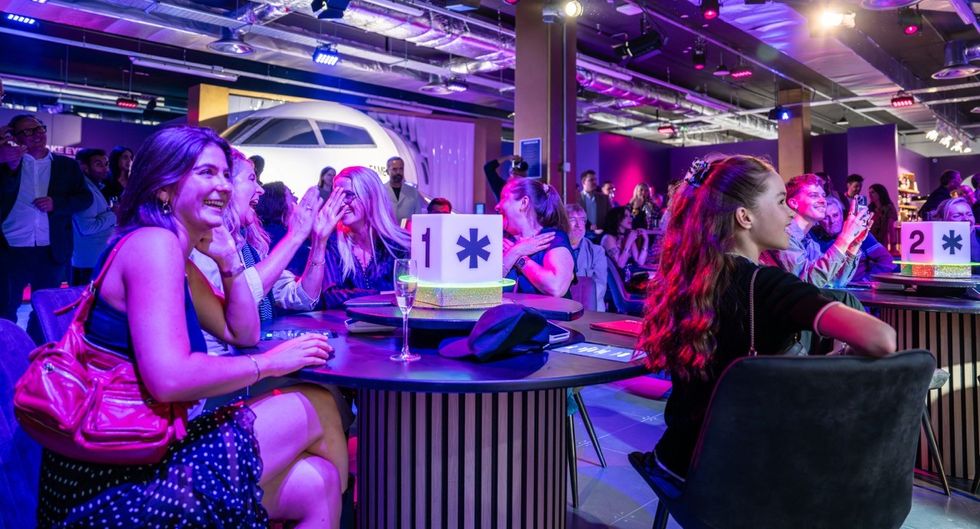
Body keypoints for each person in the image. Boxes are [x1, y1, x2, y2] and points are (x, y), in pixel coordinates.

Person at [36, 126, 344, 528]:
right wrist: (269, 364)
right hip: (111, 484)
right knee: (318, 401)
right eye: (206, 173)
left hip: (143, 453)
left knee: (319, 482)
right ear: (164, 187)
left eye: (223, 174)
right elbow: (169, 378)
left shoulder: (170, 251)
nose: (223, 186)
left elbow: (242, 333)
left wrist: (230, 261)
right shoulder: (153, 246)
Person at [632, 155, 896, 480]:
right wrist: (840, 360)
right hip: (745, 479)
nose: (789, 212)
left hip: (678, 464)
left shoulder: (689, 279)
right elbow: (881, 338)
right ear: (745, 217)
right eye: (781, 201)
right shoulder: (767, 283)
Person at [188, 150, 351, 488]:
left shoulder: (245, 241)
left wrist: (318, 241)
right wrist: (295, 236)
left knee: (321, 476)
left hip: (238, 369)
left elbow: (299, 297)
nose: (260, 190)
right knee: (326, 398)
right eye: (252, 180)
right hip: (217, 389)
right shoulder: (198, 248)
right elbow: (242, 312)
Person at [0, 114, 92, 327]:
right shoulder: (7, 164)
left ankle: (37, 355)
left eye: (39, 128)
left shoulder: (66, 166)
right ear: (15, 136)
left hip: (51, 249)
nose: (37, 134)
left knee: (46, 312)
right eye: (28, 131)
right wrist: (10, 166)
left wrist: (57, 203)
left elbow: (84, 198)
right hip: (11, 249)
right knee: (5, 310)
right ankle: (7, 355)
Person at [321, 166, 410, 308]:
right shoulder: (332, 243)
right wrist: (382, 295)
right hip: (345, 327)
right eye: (337, 196)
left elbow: (410, 293)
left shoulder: (401, 245)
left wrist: (356, 295)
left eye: (348, 195)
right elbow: (332, 297)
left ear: (371, 196)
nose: (342, 203)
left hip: (392, 327)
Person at [761, 173, 869, 288]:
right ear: (794, 203)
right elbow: (807, 282)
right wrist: (844, 238)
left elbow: (835, 282)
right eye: (814, 195)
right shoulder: (783, 235)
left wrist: (854, 244)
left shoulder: (810, 243)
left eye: (823, 195)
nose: (823, 201)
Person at [497, 178, 574, 298]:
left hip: (545, 316)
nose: (497, 206)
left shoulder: (553, 238)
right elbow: (484, 291)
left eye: (504, 198)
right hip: (506, 316)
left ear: (524, 203)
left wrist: (519, 257)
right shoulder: (501, 240)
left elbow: (556, 288)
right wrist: (514, 252)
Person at [812, 196, 894, 284]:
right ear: (819, 220)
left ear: (842, 215)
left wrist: (866, 280)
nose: (832, 221)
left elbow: (887, 260)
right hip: (825, 288)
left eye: (835, 215)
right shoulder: (813, 237)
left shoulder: (859, 233)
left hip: (856, 288)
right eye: (826, 217)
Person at [71, 148, 117, 285]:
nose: (105, 169)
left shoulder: (93, 186)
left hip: (92, 258)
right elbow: (87, 227)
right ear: (84, 167)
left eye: (106, 164)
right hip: (88, 260)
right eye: (99, 164)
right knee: (85, 303)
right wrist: (114, 214)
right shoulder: (85, 189)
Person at [257, 181, 307, 273]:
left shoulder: (264, 232)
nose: (296, 198)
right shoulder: (279, 236)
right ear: (279, 201)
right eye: (291, 194)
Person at [566, 203, 607, 311]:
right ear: (562, 223)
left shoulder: (597, 251)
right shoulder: (555, 249)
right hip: (561, 309)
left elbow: (600, 286)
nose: (579, 225)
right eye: (572, 219)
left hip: (590, 310)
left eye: (582, 220)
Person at [930, 197, 980, 274]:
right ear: (942, 220)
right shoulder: (931, 242)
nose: (966, 219)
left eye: (969, 214)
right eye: (957, 216)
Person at [601, 206, 649, 274]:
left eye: (630, 216)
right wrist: (629, 241)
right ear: (617, 219)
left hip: (626, 277)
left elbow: (640, 261)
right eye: (626, 216)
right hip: (613, 281)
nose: (630, 219)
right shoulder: (608, 238)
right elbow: (620, 265)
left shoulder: (627, 236)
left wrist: (646, 240)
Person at [384, 156, 423, 224]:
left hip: (407, 233)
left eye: (401, 169)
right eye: (394, 169)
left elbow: (418, 217)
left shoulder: (413, 192)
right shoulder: (381, 191)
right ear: (387, 171)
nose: (398, 172)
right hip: (386, 233)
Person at [868, 183, 898, 253]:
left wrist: (893, 247)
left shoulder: (889, 208)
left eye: (873, 192)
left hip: (882, 243)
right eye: (869, 193)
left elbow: (891, 228)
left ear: (880, 193)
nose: (870, 195)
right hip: (869, 242)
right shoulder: (870, 208)